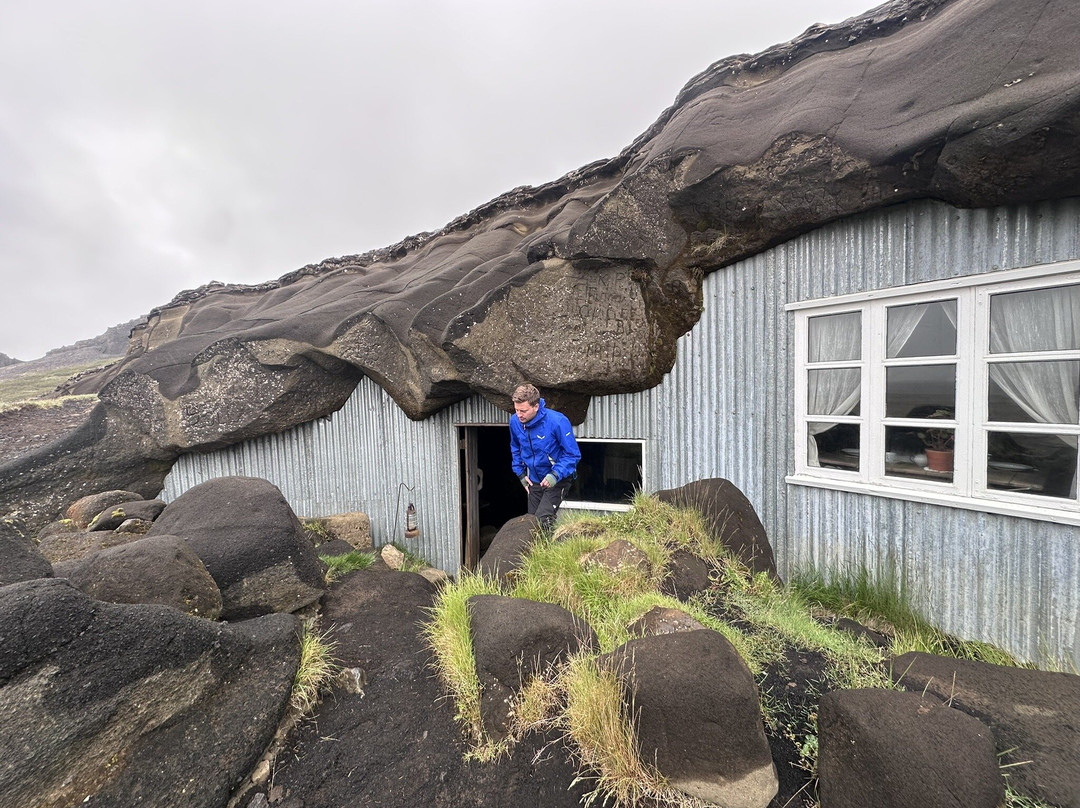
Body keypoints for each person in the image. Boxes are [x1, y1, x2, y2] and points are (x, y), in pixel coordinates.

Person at [509, 383, 581, 532]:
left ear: (536, 406)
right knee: (531, 522)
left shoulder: (558, 421)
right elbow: (515, 448)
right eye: (516, 410)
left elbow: (572, 455)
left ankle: (549, 553)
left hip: (558, 477)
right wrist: (521, 473)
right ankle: (537, 554)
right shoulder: (515, 421)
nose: (519, 415)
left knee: (543, 520)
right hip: (535, 479)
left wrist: (554, 475)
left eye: (523, 411)